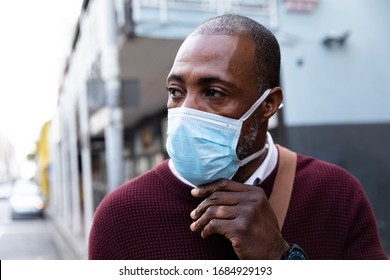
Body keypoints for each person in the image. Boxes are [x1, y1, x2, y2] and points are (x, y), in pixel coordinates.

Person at [88, 14, 388, 260]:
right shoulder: (121, 216)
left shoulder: (336, 195)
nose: (186, 111)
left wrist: (279, 257)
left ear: (267, 105)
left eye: (214, 92)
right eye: (176, 92)